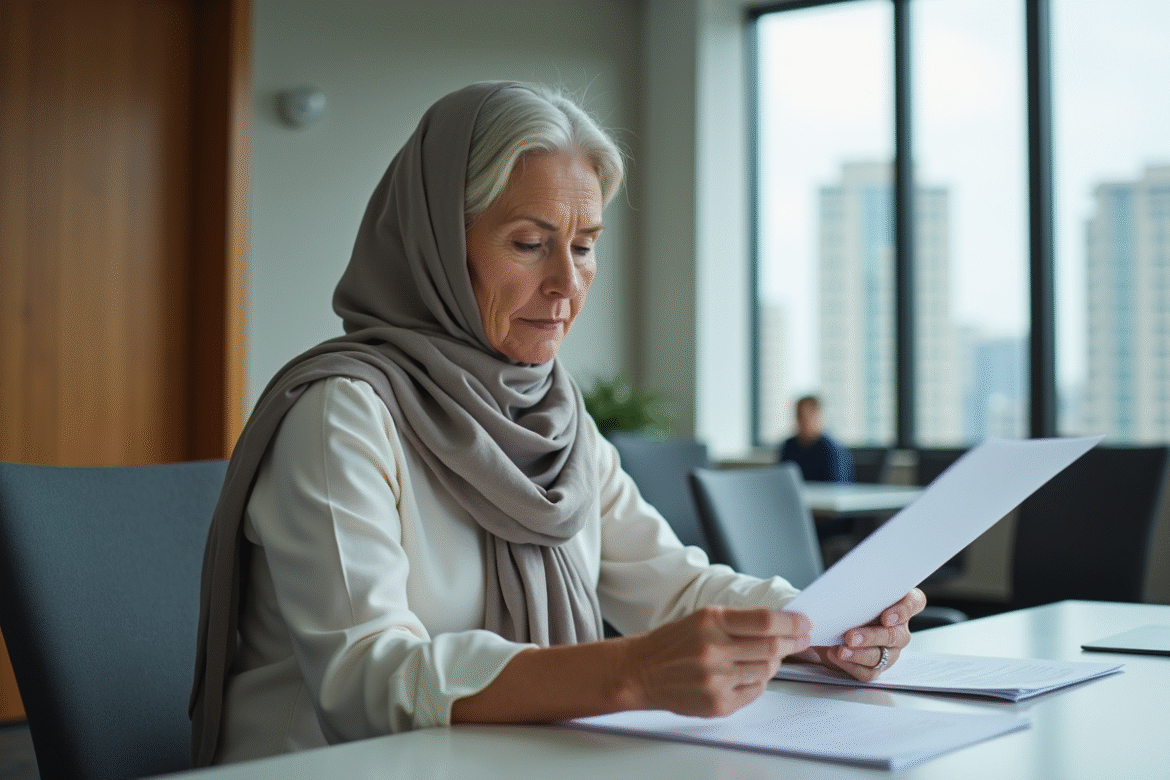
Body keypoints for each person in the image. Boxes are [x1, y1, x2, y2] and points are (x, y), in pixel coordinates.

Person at [189, 82, 925, 767]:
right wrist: (629, 670)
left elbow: (671, 588)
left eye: (583, 245)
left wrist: (825, 627)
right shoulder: (343, 413)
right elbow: (369, 681)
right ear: (440, 246)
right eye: (529, 242)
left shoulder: (556, 416)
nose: (567, 285)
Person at [779, 395, 855, 484]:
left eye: (807, 417)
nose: (803, 422)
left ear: (818, 416)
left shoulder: (832, 450)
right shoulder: (789, 446)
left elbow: (838, 488)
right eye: (800, 416)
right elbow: (782, 480)